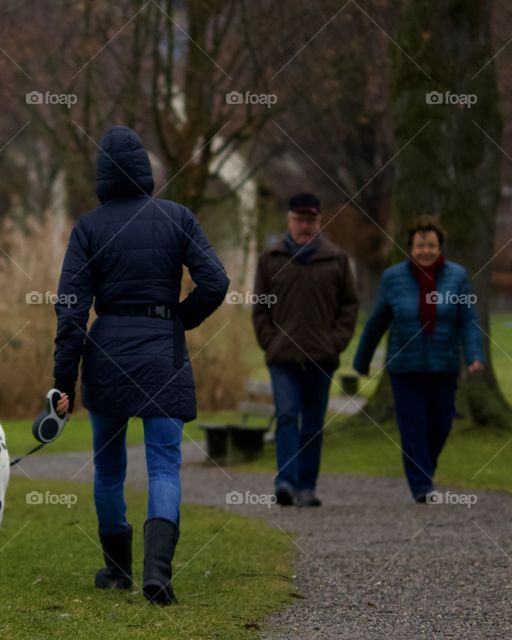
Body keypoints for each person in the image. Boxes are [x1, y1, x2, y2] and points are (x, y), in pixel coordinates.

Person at [50, 125, 229, 605]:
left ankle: (116, 572)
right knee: (164, 465)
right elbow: (216, 282)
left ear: (102, 175)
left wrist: (62, 381)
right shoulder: (178, 217)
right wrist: (177, 319)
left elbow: (70, 310)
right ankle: (158, 573)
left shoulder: (88, 228)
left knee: (108, 468)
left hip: (105, 353)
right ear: (145, 172)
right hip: (162, 354)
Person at [352, 216, 485, 503]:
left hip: (444, 365)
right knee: (413, 427)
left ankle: (424, 473)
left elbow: (467, 320)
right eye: (420, 245)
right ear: (411, 247)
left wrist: (474, 355)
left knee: (440, 425)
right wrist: (362, 360)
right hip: (405, 368)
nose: (426, 250)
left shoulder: (457, 277)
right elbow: (377, 321)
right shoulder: (394, 278)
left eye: (431, 245)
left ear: (440, 247)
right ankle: (421, 486)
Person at [252, 193, 359, 508]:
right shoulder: (270, 258)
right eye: (299, 219)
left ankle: (307, 486)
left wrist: (335, 341)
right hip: (282, 357)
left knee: (312, 423)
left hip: (321, 357)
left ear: (319, 221)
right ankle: (285, 482)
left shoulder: (336, 260)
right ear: (289, 220)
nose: (304, 225)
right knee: (287, 416)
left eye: (310, 220)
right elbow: (260, 309)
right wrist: (269, 341)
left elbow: (349, 307)